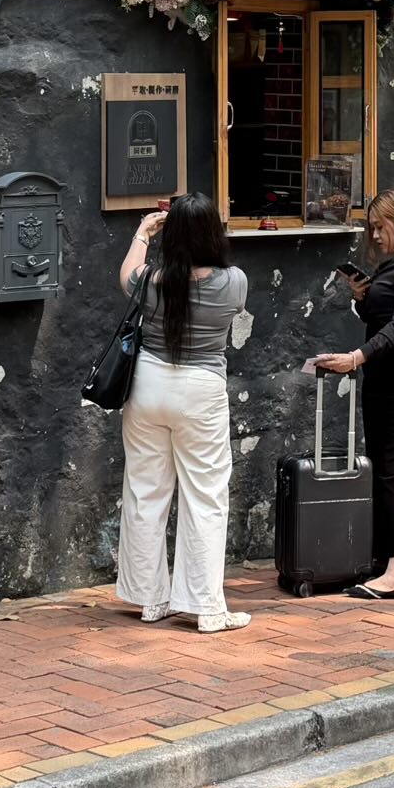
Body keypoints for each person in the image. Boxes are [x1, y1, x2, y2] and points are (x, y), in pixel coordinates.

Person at [114, 194, 252, 632]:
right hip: (201, 391)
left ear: (171, 235)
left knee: (145, 491)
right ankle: (204, 606)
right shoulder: (234, 281)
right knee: (206, 496)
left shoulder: (153, 281)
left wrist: (144, 231)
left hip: (148, 386)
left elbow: (126, 275)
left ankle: (148, 598)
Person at [312, 180, 394, 598]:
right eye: (373, 229)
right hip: (381, 379)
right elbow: (382, 316)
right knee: (384, 468)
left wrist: (356, 358)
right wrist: (362, 298)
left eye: (382, 228)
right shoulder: (390, 266)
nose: (377, 236)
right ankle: (389, 559)